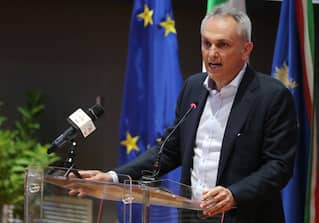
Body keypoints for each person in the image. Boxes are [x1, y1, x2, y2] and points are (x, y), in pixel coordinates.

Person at [69, 5, 297, 223]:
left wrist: (234, 194)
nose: (212, 53)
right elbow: (169, 150)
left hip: (245, 217)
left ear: (246, 50)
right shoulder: (193, 88)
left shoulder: (271, 95)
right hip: (193, 215)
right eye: (206, 44)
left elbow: (278, 166)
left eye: (223, 45)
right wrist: (113, 177)